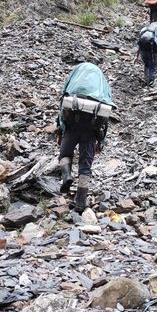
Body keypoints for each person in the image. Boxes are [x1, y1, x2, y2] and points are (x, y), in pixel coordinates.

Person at [55, 63, 116, 211]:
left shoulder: (73, 80)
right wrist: (101, 141)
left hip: (71, 128)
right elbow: (105, 119)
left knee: (64, 154)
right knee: (85, 166)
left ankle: (67, 177)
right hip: (90, 131)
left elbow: (62, 108)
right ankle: (81, 203)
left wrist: (60, 130)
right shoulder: (102, 84)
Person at [135, 21, 157, 87]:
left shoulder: (145, 30)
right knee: (153, 66)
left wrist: (137, 56)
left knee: (146, 64)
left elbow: (139, 44)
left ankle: (146, 79)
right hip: (152, 50)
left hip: (143, 49)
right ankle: (150, 82)